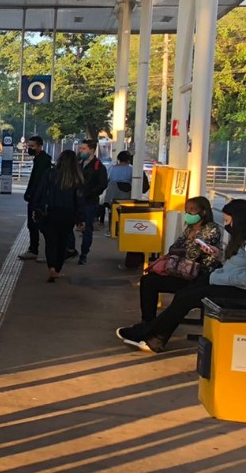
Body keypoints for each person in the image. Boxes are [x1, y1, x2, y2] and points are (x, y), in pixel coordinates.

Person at [117, 199, 246, 353]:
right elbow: (235, 264)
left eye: (227, 221)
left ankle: (154, 339)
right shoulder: (239, 239)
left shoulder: (213, 230)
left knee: (187, 298)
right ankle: (149, 330)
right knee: (179, 293)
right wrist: (220, 256)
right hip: (224, 281)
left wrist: (219, 278)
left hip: (236, 290)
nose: (226, 226)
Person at [133, 197, 223, 324]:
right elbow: (173, 248)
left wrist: (181, 251)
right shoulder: (189, 229)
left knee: (155, 283)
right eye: (187, 210)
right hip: (182, 271)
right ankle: (147, 320)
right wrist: (180, 251)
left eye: (192, 210)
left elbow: (193, 254)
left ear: (203, 212)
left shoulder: (211, 229)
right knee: (148, 280)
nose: (188, 213)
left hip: (198, 275)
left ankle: (157, 324)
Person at [34, 150, 85, 282]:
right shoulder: (76, 177)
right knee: (62, 242)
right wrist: (81, 218)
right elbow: (79, 199)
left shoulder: (49, 173)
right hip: (69, 214)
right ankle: (57, 269)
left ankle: (51, 268)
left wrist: (35, 208)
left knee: (51, 241)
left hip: (50, 212)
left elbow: (39, 192)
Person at [75, 139, 109, 265]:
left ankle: (84, 254)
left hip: (89, 202)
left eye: (83, 149)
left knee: (87, 228)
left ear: (91, 150)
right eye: (80, 148)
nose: (80, 150)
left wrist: (90, 193)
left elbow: (103, 184)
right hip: (75, 200)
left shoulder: (98, 166)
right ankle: (70, 249)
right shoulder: (78, 163)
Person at [19, 136, 52, 262]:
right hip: (36, 197)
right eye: (29, 146)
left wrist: (32, 195)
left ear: (39, 146)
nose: (29, 149)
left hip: (38, 199)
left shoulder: (42, 161)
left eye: (32, 146)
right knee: (34, 224)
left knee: (37, 224)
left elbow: (38, 181)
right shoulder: (40, 159)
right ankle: (35, 249)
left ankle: (37, 250)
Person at [103, 151, 134, 232]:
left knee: (112, 210)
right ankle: (122, 228)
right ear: (128, 160)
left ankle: (111, 228)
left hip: (112, 190)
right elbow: (133, 180)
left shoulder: (112, 168)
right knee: (124, 210)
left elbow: (108, 178)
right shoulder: (131, 169)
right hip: (125, 191)